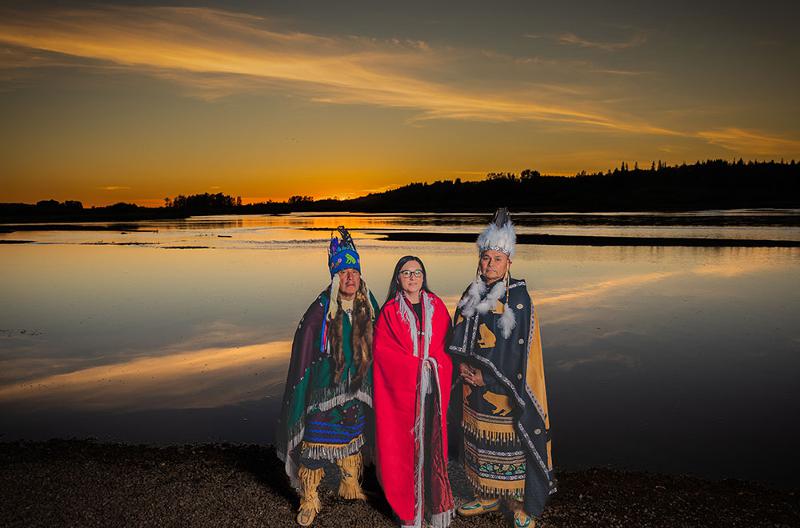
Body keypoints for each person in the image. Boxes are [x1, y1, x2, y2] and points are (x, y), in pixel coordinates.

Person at [448, 208, 555, 528]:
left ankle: (519, 503)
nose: (489, 264)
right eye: (485, 257)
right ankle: (488, 494)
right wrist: (463, 368)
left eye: (496, 258)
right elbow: (458, 334)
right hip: (472, 389)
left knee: (512, 446)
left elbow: (520, 353)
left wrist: (489, 376)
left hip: (506, 391)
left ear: (509, 262)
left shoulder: (519, 299)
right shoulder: (471, 293)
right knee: (479, 444)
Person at [276, 226, 379, 526]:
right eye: (343, 272)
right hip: (324, 394)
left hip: (357, 390)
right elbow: (304, 353)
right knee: (315, 447)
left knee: (353, 438)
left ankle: (350, 485)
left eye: (354, 271)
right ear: (335, 277)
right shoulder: (319, 312)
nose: (350, 277)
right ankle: (309, 498)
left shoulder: (369, 305)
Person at [373, 256, 455, 528]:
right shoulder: (389, 312)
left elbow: (446, 348)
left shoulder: (438, 307)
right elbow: (384, 355)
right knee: (403, 449)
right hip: (402, 396)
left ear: (424, 276)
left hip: (434, 392)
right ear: (397, 278)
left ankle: (433, 506)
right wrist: (418, 369)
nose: (412, 277)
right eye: (406, 272)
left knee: (433, 446)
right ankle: (408, 510)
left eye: (417, 272)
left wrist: (434, 366)